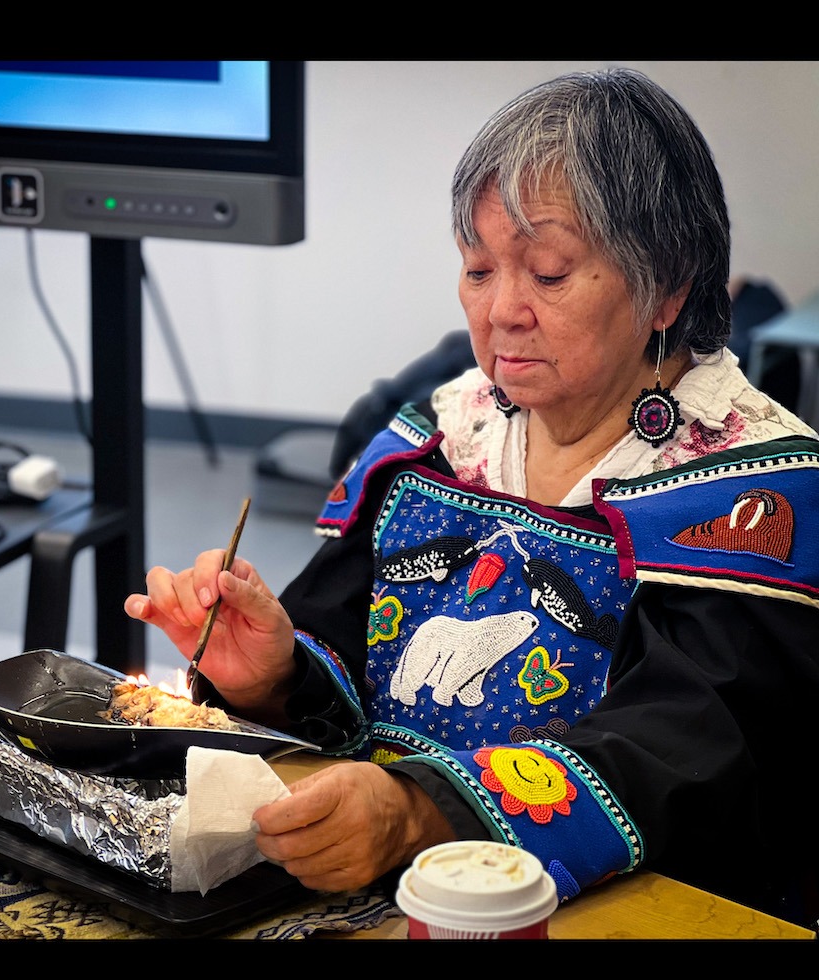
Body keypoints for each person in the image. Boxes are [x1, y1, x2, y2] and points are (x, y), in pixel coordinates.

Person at [125, 67, 819, 930]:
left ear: (668, 286)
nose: (501, 312)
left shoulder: (753, 498)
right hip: (383, 888)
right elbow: (340, 636)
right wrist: (276, 675)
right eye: (478, 268)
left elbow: (689, 750)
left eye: (552, 274)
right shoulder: (439, 437)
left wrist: (423, 810)